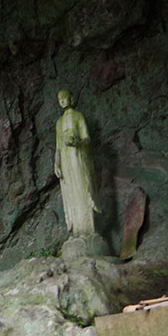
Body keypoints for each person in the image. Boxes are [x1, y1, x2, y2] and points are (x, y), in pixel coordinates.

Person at [54, 89, 100, 237]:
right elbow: (58, 147)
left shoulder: (78, 116)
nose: (62, 101)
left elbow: (87, 138)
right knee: (71, 192)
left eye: (64, 97)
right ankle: (76, 232)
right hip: (66, 162)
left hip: (79, 157)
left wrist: (78, 142)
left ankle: (89, 230)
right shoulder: (59, 122)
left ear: (71, 99)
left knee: (83, 189)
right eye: (59, 99)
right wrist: (57, 164)